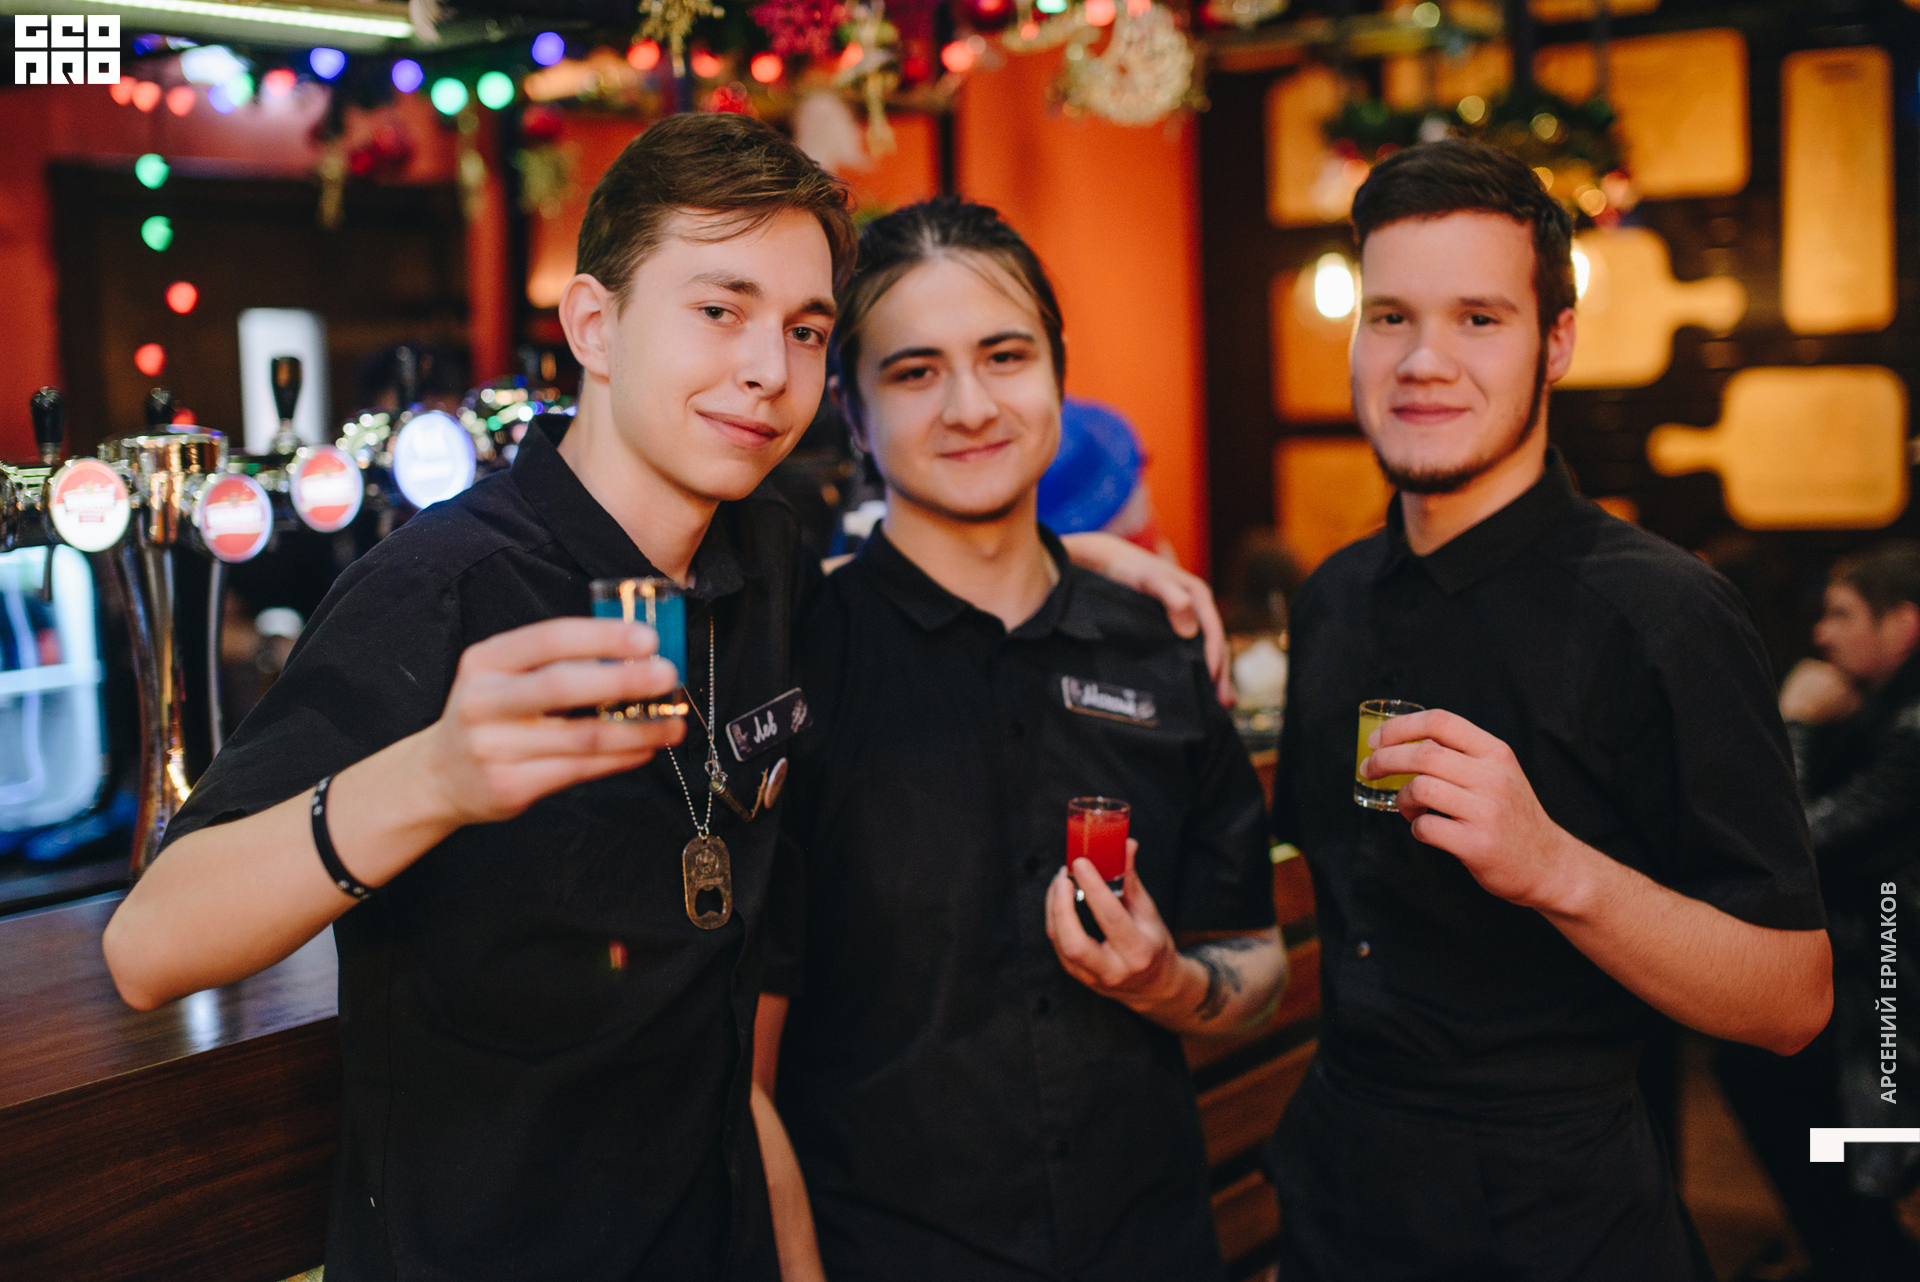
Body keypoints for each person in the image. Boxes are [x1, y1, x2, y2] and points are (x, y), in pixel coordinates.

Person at [100, 114, 1227, 1280]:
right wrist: (432, 778)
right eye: (720, 310)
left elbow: (911, 585)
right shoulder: (444, 584)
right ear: (595, 323)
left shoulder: (765, 558)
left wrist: (1073, 562)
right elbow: (151, 944)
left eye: (804, 330)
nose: (769, 369)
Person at [1263, 139, 1832, 1281]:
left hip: (1557, 1219)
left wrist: (1553, 866)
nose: (1424, 360)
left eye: (1479, 318)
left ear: (1556, 342)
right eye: (1389, 317)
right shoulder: (1332, 598)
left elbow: (1794, 998)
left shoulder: (1664, 614)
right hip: (1336, 1198)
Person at [752, 197, 1286, 1282]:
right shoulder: (795, 664)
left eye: (1005, 356)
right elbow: (737, 1075)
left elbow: (1256, 956)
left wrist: (1168, 982)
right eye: (915, 372)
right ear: (853, 411)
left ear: (1058, 372)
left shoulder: (1156, 642)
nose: (971, 406)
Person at [1719, 539, 1920, 1281]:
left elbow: (1791, 846)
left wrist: (1794, 721)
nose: (1821, 632)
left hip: (1891, 994)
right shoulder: (1883, 714)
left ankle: (1861, 1257)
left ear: (1902, 625)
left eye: (1842, 614)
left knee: (1794, 1094)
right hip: (1878, 976)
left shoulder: (1912, 731)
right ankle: (1851, 1250)